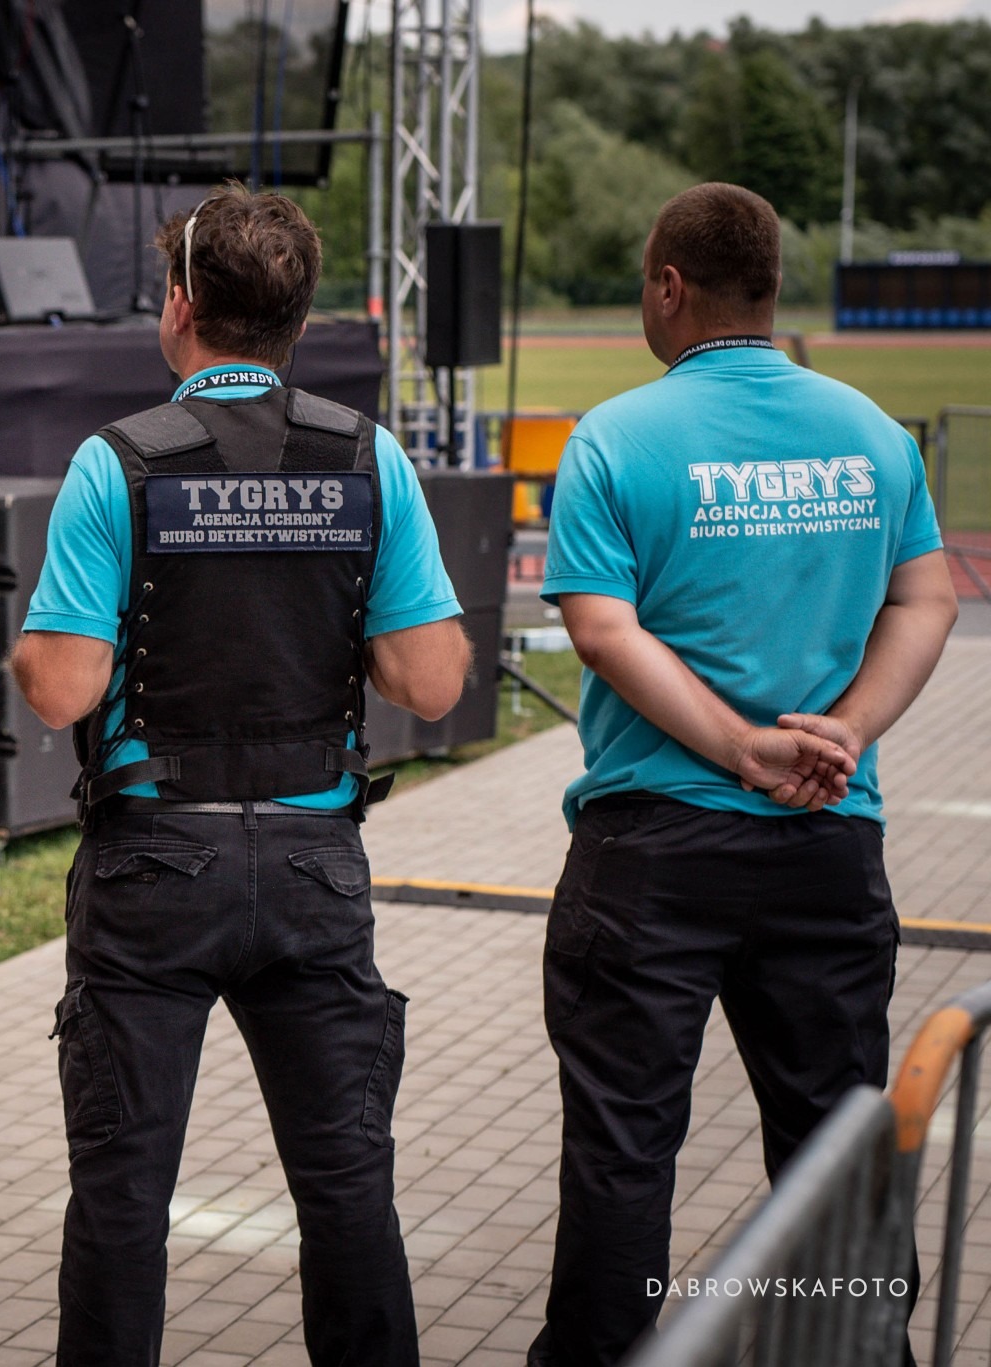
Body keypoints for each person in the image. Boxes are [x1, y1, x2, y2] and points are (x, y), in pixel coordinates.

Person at [10, 182, 472, 1367]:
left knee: (121, 1196)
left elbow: (58, 690)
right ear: (297, 320)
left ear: (179, 309)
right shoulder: (365, 456)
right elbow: (429, 684)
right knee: (347, 1185)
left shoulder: (116, 464)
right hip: (316, 861)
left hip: (152, 866)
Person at [528, 182, 957, 1367]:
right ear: (769, 287)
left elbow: (600, 629)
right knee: (836, 1152)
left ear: (667, 287)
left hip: (651, 847)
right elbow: (927, 598)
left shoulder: (615, 434)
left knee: (622, 1156)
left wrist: (735, 748)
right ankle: (861, 1353)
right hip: (827, 840)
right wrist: (842, 732)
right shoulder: (871, 432)